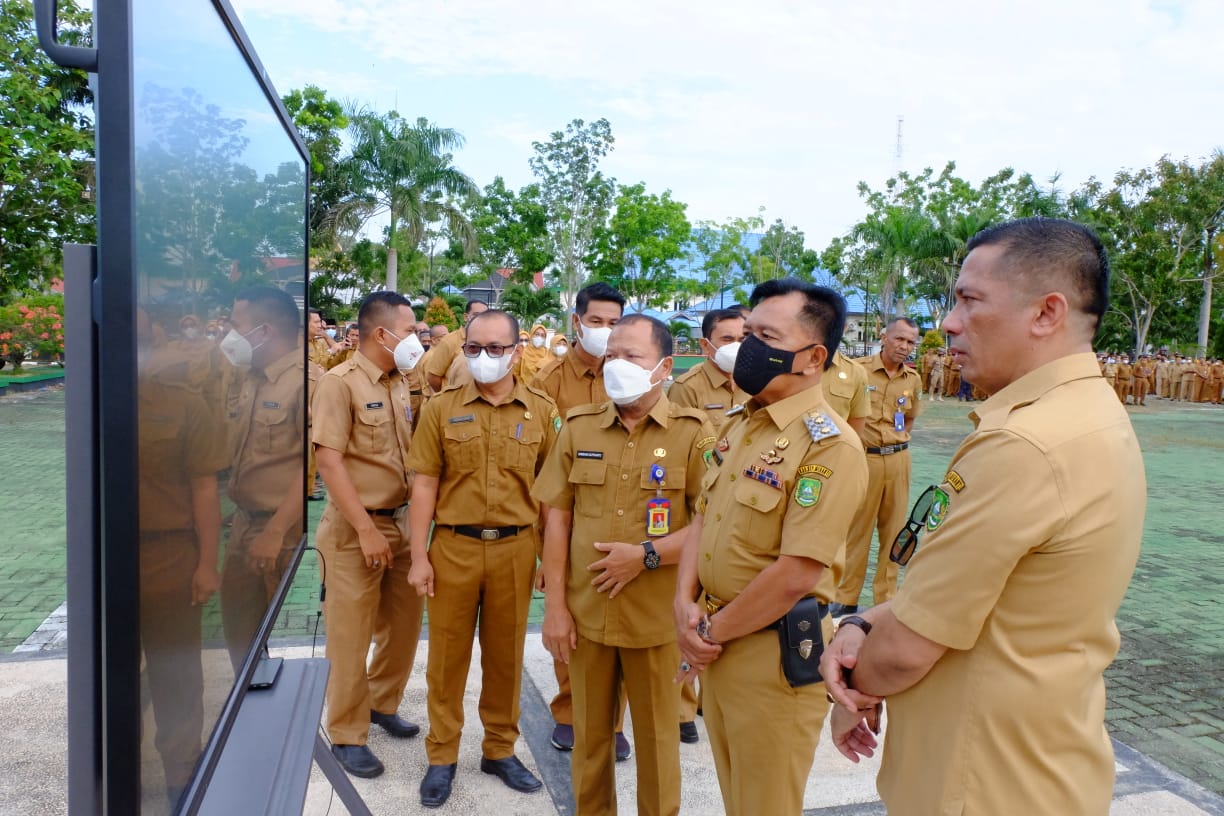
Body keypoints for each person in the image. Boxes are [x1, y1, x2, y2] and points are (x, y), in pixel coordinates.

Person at [823, 217, 1146, 816]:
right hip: (1037, 763)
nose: (949, 323)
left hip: (980, 783)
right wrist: (863, 623)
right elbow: (980, 599)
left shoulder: (1025, 443)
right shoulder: (1088, 412)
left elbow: (907, 651)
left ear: (1046, 313)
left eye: (970, 300)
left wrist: (850, 681)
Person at [673, 279, 867, 816]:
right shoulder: (743, 423)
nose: (748, 347)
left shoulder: (831, 446)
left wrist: (706, 633)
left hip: (772, 657)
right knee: (738, 799)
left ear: (814, 357)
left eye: (766, 337)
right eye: (747, 333)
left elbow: (797, 573)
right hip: (718, 643)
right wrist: (684, 603)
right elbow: (703, 515)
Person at [534, 314, 715, 816]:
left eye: (631, 356)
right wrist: (555, 609)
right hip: (586, 617)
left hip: (656, 621)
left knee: (657, 744)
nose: (616, 364)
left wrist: (646, 556)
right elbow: (557, 520)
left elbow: (712, 524)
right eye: (611, 355)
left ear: (664, 367)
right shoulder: (579, 427)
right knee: (589, 741)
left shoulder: (694, 434)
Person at [406, 310, 559, 807]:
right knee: (446, 660)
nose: (483, 357)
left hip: (516, 548)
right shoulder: (441, 408)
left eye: (496, 348)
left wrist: (549, 560)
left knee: (506, 657)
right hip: (453, 548)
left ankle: (499, 750)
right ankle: (442, 756)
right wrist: (418, 555)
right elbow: (424, 484)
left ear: (517, 351)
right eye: (474, 348)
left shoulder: (541, 410)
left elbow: (551, 495)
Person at [312, 291, 426, 778]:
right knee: (350, 636)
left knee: (403, 627)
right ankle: (346, 732)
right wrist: (364, 528)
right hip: (354, 529)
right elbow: (328, 460)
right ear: (383, 333)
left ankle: (381, 703)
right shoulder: (339, 383)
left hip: (401, 523)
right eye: (411, 330)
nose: (417, 338)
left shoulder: (401, 382)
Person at [531, 281, 632, 757]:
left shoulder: (631, 375)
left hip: (622, 516)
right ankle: (571, 712)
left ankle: (613, 721)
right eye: (596, 322)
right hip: (565, 520)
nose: (605, 331)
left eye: (614, 323)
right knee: (567, 621)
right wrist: (543, 552)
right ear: (577, 322)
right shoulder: (548, 382)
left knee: (622, 621)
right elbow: (539, 469)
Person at [135, 307, 226, 807]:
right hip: (108, 557)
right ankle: (114, 767)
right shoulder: (91, 399)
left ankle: (181, 774)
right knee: (108, 672)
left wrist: (207, 563)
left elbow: (204, 488)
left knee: (177, 674)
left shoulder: (183, 403)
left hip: (169, 553)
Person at [218, 286, 312, 666]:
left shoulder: (305, 381)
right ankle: (248, 695)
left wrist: (275, 532)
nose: (230, 335)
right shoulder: (252, 376)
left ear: (265, 331)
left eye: (237, 325)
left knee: (272, 633)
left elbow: (312, 465)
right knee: (239, 628)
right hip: (244, 522)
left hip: (278, 527)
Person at [831, 318, 922, 616]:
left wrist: (896, 439)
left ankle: (886, 599)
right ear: (884, 337)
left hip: (898, 460)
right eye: (899, 339)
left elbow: (909, 417)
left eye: (910, 342)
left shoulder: (912, 379)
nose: (904, 346)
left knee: (895, 531)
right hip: (864, 459)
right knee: (857, 530)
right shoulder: (858, 371)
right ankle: (846, 598)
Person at [668, 308, 748, 431]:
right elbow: (680, 436)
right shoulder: (687, 388)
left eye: (742, 340)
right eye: (727, 339)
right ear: (705, 345)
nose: (736, 346)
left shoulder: (754, 382)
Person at [424, 300, 489, 393]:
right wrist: (447, 395)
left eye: (485, 316)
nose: (481, 319)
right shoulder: (449, 341)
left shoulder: (489, 342)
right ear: (466, 317)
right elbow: (433, 377)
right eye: (476, 315)